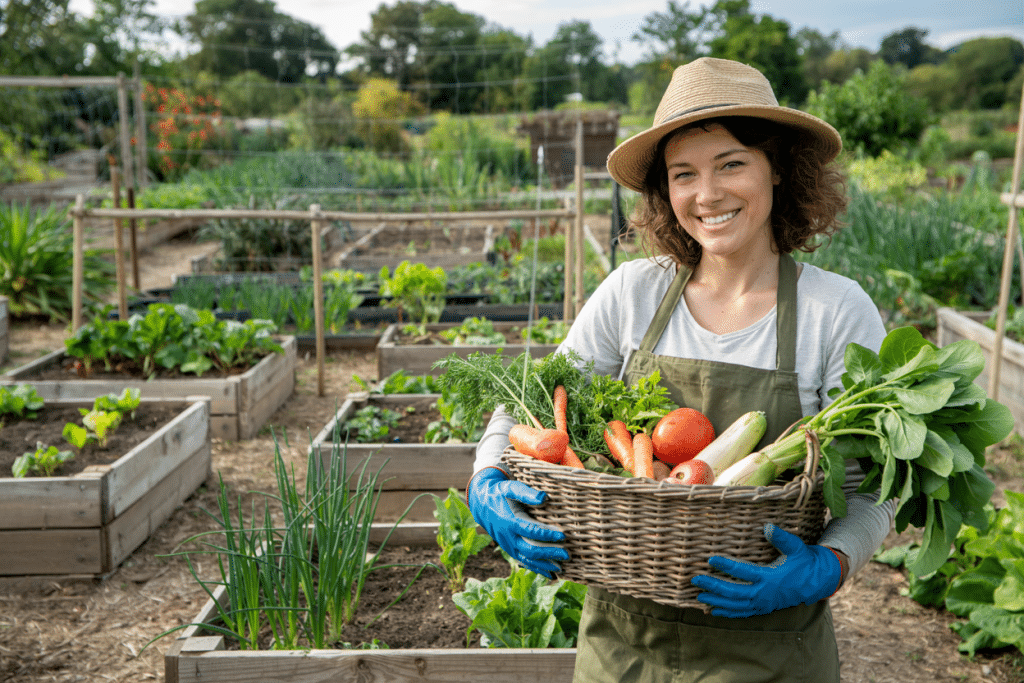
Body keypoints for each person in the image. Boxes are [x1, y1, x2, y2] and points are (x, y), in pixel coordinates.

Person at [466, 57, 896, 682]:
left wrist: (828, 565)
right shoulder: (633, 293)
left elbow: (874, 486)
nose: (707, 194)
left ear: (778, 167)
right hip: (622, 645)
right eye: (683, 174)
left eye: (731, 164)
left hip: (769, 650)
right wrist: (485, 479)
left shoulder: (835, 311)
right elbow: (532, 402)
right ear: (663, 191)